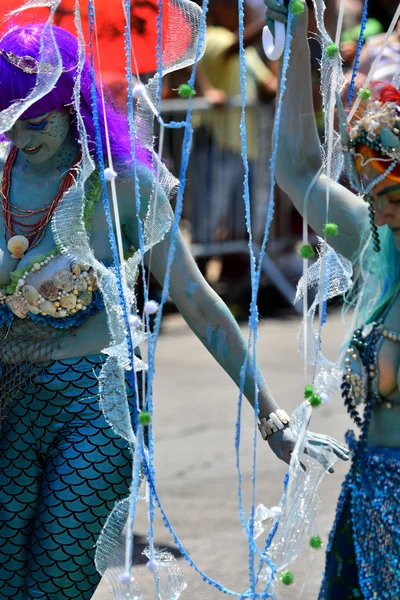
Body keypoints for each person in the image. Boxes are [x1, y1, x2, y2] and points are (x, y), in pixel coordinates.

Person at [0, 19, 348, 600]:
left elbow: (201, 305)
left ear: (75, 106)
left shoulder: (122, 188)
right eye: (9, 120)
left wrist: (273, 419)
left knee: (52, 589)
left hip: (94, 413)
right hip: (8, 408)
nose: (23, 135)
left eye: (37, 120)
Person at [265, 0, 400, 598]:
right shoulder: (378, 244)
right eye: (373, 185)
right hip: (367, 502)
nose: (383, 204)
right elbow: (296, 168)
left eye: (394, 186)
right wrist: (298, 25)